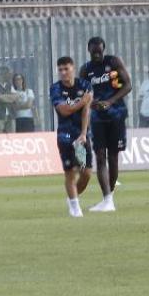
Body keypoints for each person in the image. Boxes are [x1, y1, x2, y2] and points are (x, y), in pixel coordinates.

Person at [81, 36, 131, 213]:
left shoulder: (114, 62)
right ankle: (107, 200)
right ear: (88, 50)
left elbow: (128, 85)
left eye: (99, 51)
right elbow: (82, 94)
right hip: (97, 119)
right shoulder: (86, 70)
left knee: (113, 157)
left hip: (116, 115)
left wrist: (110, 101)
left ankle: (109, 198)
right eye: (94, 51)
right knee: (100, 157)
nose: (97, 54)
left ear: (104, 49)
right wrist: (90, 103)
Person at [50, 56, 93, 218]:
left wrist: (83, 134)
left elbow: (86, 112)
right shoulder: (55, 88)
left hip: (80, 136)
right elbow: (64, 111)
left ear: (73, 68)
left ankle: (72, 198)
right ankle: (75, 207)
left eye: (66, 69)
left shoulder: (84, 85)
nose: (63, 72)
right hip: (65, 135)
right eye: (60, 70)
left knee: (86, 172)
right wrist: (83, 101)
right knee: (70, 172)